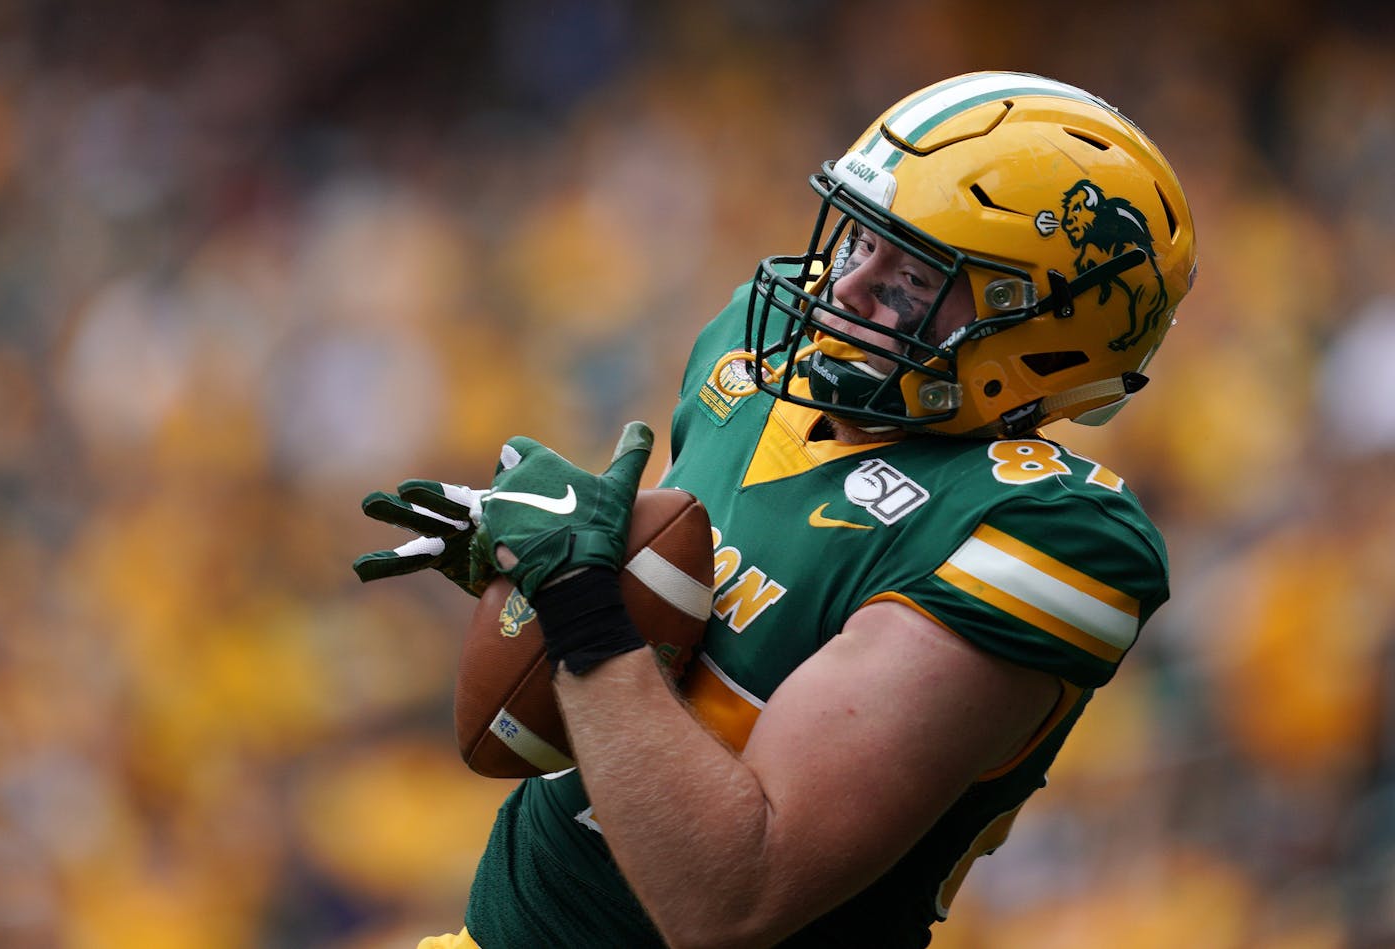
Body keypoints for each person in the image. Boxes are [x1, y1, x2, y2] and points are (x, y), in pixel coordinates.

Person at [354, 70, 1197, 948]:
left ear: (1044, 325)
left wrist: (577, 604)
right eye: (859, 241)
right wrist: (535, 557)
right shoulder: (763, 359)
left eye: (911, 275)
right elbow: (678, 609)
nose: (847, 289)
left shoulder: (1046, 532)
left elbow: (729, 896)